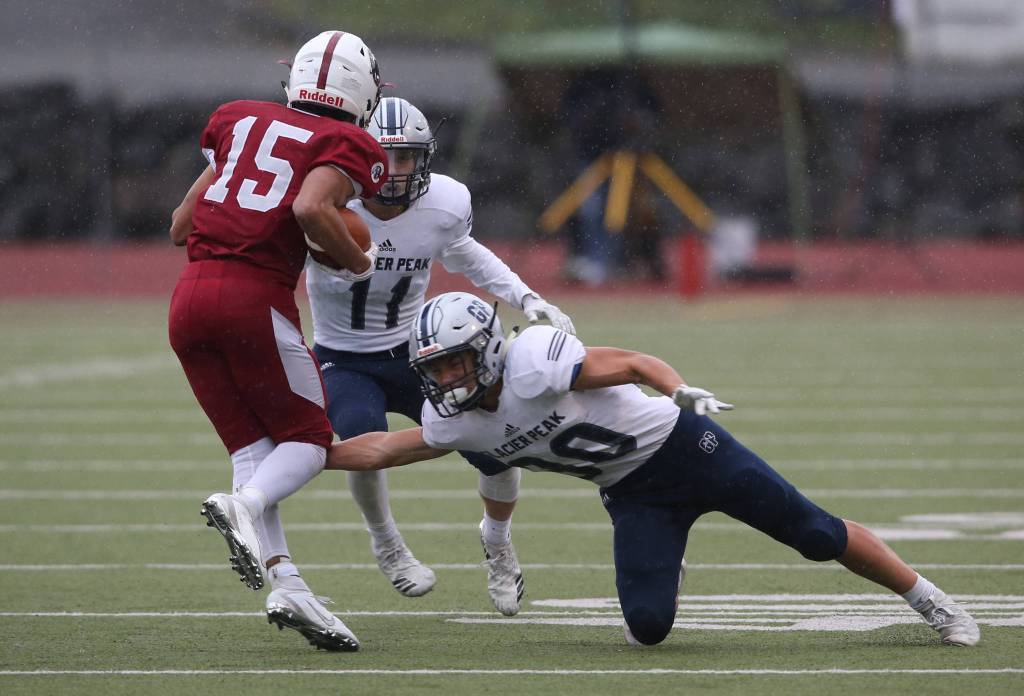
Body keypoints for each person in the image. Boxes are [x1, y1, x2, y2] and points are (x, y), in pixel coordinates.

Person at [324, 291, 981, 648]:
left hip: (688, 450)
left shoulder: (534, 360)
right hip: (632, 493)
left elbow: (635, 361)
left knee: (812, 532)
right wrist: (306, 453)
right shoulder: (455, 421)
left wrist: (680, 389)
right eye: (433, 369)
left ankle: (931, 600)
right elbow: (382, 449)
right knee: (648, 627)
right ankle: (669, 560)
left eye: (453, 363)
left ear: (490, 350)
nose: (443, 379)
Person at [305, 96, 573, 611]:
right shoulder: (324, 202)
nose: (395, 168)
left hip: (416, 352)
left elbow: (466, 253)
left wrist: (529, 298)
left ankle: (497, 543)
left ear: (423, 158)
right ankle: (386, 541)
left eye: (406, 156)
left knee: (499, 441)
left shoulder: (443, 204)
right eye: (384, 154)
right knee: (363, 437)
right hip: (342, 356)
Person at [167, 30, 387, 652]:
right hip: (251, 299)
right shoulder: (347, 141)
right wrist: (355, 262)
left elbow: (181, 226)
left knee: (253, 448)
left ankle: (287, 584)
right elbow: (312, 209)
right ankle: (247, 504)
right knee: (311, 443)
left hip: (188, 301)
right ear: (360, 90)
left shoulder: (237, 120)